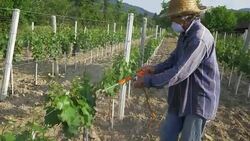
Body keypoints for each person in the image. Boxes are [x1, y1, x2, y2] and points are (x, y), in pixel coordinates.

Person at [133, 0, 221, 140]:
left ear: (184, 16)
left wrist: (148, 81)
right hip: (180, 96)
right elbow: (174, 58)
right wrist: (154, 68)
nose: (170, 20)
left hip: (197, 101)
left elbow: (179, 72)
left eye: (172, 17)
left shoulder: (199, 39)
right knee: (167, 135)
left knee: (188, 138)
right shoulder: (185, 34)